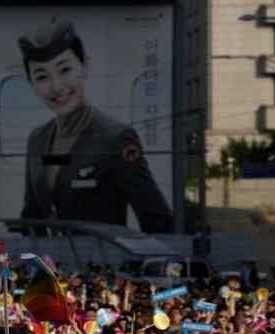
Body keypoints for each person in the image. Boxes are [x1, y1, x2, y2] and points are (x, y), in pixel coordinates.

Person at [17, 19, 173, 234]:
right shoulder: (37, 138)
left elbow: (158, 219)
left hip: (104, 261)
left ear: (85, 65)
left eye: (64, 70)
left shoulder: (117, 138)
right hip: (49, 264)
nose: (57, 86)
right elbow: (31, 218)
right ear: (31, 83)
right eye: (42, 77)